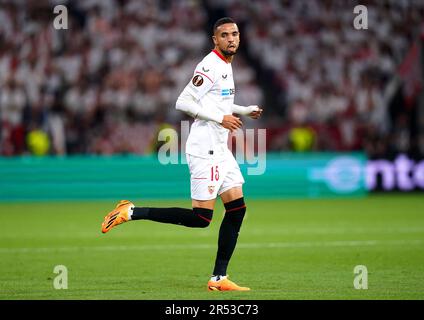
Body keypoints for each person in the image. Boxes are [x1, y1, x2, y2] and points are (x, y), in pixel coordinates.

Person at [101, 17, 263, 291]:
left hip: (220, 148)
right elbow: (184, 101)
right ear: (215, 40)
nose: (231, 39)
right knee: (202, 219)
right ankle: (131, 211)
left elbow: (218, 100)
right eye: (225, 35)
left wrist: (243, 110)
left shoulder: (226, 65)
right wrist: (221, 119)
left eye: (235, 34)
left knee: (237, 210)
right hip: (205, 148)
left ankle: (218, 278)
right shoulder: (210, 64)